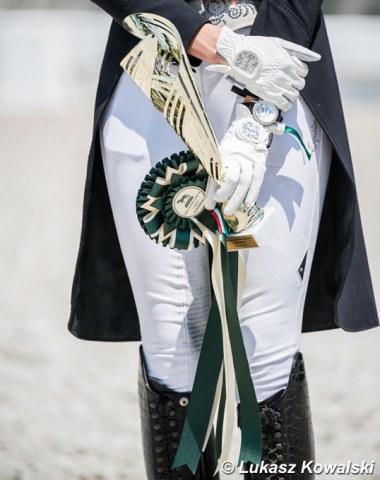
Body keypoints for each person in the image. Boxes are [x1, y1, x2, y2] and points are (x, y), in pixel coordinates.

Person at [68, 1, 379, 479]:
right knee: (172, 340)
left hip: (280, 59)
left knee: (269, 344)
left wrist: (260, 112)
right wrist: (208, 39)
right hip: (154, 72)